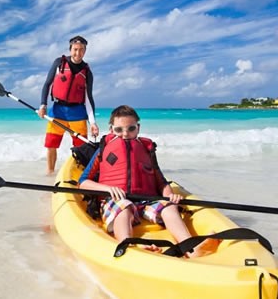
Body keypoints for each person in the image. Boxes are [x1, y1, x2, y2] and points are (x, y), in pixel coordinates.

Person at [79, 105, 219, 258]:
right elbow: (83, 181)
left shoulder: (146, 149)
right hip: (117, 199)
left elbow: (162, 183)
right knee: (124, 207)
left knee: (169, 207)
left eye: (131, 128)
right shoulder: (103, 149)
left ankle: (190, 247)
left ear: (138, 128)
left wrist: (169, 196)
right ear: (111, 129)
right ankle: (128, 243)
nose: (125, 134)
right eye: (119, 130)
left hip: (146, 200)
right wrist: (106, 188)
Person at [38, 35, 99, 175]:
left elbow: (88, 99)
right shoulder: (59, 63)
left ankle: (77, 174)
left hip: (77, 114)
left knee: (81, 148)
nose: (78, 53)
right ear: (70, 49)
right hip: (57, 112)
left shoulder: (87, 72)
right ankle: (50, 173)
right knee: (51, 145)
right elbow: (47, 84)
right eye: (75, 49)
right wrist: (43, 105)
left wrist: (93, 123)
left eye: (82, 50)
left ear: (85, 51)